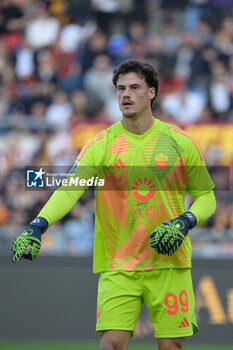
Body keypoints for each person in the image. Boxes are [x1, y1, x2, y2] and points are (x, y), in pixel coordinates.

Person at [11, 59, 216, 350]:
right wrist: (37, 225)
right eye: (121, 88)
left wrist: (184, 222)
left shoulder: (180, 142)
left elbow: (206, 196)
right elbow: (70, 189)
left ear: (152, 93)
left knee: (172, 347)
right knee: (112, 346)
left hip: (169, 262)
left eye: (134, 87)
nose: (126, 94)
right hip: (118, 264)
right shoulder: (101, 144)